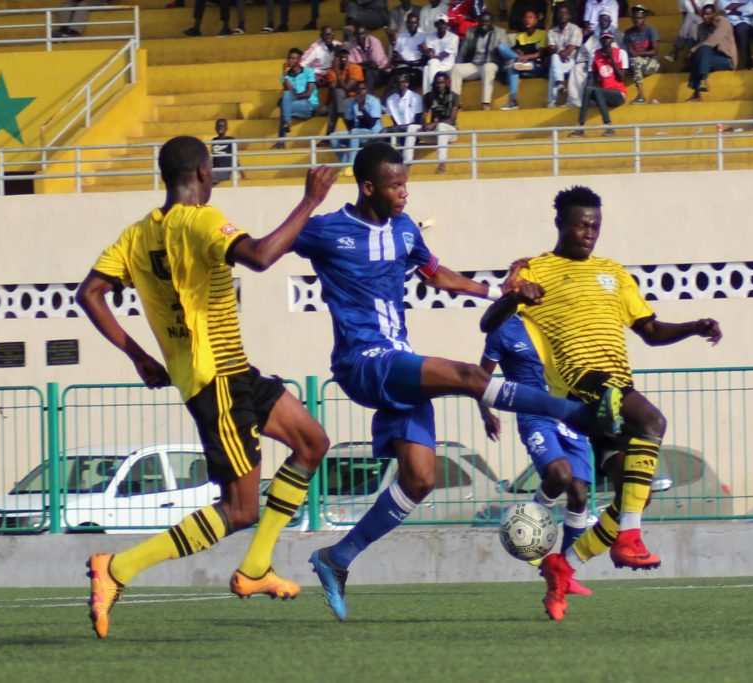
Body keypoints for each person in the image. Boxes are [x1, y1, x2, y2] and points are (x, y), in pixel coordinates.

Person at [296, 144, 622, 622]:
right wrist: (308, 202)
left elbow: (439, 276)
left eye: (406, 183)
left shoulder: (405, 230)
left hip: (398, 360)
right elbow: (268, 249)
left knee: (420, 479)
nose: (404, 193)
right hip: (362, 360)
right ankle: (581, 415)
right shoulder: (330, 231)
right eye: (395, 185)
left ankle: (336, 558)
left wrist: (500, 290)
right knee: (471, 376)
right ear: (368, 188)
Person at [78, 136, 337, 639]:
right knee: (239, 509)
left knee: (312, 443)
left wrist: (138, 356)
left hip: (234, 372)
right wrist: (309, 201)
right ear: (200, 171)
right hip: (214, 381)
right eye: (213, 170)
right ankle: (119, 569)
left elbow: (89, 293)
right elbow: (260, 256)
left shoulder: (134, 236)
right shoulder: (200, 221)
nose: (214, 178)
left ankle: (256, 567)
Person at [484, 185, 721, 622]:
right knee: (652, 419)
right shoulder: (534, 270)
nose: (589, 232)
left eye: (595, 225)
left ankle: (563, 567)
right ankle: (628, 539)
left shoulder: (614, 273)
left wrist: (693, 325)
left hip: (614, 387)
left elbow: (649, 330)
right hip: (581, 386)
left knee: (638, 494)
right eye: (580, 224)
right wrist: (516, 295)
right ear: (560, 224)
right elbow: (489, 321)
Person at [478, 315, 596, 597]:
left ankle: (564, 574)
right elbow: (480, 378)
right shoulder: (503, 328)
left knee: (579, 494)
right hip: (534, 416)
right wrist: (486, 413)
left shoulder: (561, 317)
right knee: (560, 474)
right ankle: (529, 521)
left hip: (570, 413)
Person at [569, 31, 628, 137]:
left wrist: (612, 60)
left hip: (618, 93)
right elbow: (592, 77)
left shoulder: (621, 53)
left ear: (612, 40)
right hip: (602, 92)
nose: (606, 41)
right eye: (604, 39)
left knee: (597, 91)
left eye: (608, 39)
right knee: (588, 89)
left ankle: (609, 127)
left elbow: (621, 77)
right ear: (600, 41)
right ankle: (580, 127)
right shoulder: (595, 54)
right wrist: (588, 96)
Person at [450, 11, 509, 110]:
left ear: (492, 22)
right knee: (456, 68)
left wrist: (506, 69)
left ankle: (485, 103)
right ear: (478, 22)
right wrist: (459, 63)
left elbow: (506, 51)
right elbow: (463, 52)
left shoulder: (500, 32)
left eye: (487, 22)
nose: (484, 24)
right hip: (475, 64)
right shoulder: (471, 31)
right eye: (482, 21)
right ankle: (455, 104)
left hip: (491, 63)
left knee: (487, 67)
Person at [567, 13, 623, 108]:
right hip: (592, 63)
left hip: (607, 64)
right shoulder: (594, 37)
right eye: (602, 19)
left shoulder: (615, 35)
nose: (604, 22)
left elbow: (618, 54)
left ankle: (594, 100)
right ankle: (575, 102)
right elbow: (583, 53)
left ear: (610, 21)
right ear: (598, 21)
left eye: (606, 19)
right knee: (576, 69)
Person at [499, 7, 548, 111]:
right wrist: (517, 52)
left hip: (536, 66)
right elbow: (517, 48)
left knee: (513, 66)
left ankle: (520, 63)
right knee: (502, 48)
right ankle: (513, 100)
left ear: (536, 20)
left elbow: (539, 54)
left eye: (530, 17)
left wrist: (526, 57)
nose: (527, 19)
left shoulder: (542, 33)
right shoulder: (520, 35)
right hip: (522, 65)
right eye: (525, 17)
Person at [686, 4, 738, 101]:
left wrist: (693, 49)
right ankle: (702, 83)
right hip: (710, 58)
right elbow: (702, 44)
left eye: (709, 14)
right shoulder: (702, 27)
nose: (706, 17)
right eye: (704, 15)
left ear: (714, 14)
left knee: (703, 50)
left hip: (726, 58)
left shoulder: (723, 22)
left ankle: (697, 91)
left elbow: (714, 40)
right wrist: (694, 51)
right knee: (700, 54)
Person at [330, 81, 384, 169]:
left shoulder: (374, 101)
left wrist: (362, 109)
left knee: (355, 132)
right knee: (333, 136)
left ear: (366, 90)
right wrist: (349, 113)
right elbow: (348, 123)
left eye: (363, 89)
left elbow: (372, 123)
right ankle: (345, 164)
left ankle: (351, 165)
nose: (360, 91)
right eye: (358, 89)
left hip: (373, 133)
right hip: (358, 133)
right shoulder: (352, 102)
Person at [274, 48, 320, 149]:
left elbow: (308, 93)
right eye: (289, 58)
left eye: (294, 58)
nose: (291, 60)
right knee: (286, 94)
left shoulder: (309, 72)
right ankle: (287, 122)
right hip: (295, 106)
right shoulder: (285, 76)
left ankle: (281, 142)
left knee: (284, 105)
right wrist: (285, 74)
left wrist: (288, 102)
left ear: (299, 60)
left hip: (309, 106)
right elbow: (290, 92)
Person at [422, 71, 461, 173]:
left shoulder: (454, 96)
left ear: (447, 83)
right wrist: (424, 125)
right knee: (411, 129)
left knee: (441, 127)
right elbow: (424, 115)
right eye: (437, 83)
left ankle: (442, 164)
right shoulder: (429, 96)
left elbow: (452, 119)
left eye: (442, 83)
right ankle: (406, 164)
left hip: (451, 131)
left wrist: (434, 124)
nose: (439, 85)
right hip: (434, 133)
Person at [546, 4, 584, 107]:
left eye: (565, 13)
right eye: (560, 13)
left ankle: (552, 100)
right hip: (558, 63)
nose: (562, 15)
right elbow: (551, 49)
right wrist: (559, 52)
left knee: (554, 63)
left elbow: (568, 51)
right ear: (557, 16)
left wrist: (558, 51)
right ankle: (559, 84)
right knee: (554, 60)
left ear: (569, 16)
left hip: (571, 63)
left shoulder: (575, 29)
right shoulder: (551, 32)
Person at [325, 49, 366, 137]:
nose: (343, 58)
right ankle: (346, 122)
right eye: (340, 56)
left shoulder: (355, 68)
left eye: (345, 56)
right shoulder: (331, 71)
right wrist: (336, 70)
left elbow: (348, 88)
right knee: (337, 93)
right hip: (341, 100)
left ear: (348, 56)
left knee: (334, 104)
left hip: (355, 98)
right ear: (336, 58)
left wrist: (338, 74)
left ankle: (329, 135)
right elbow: (333, 87)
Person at [623, 5, 660, 103]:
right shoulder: (628, 33)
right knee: (633, 61)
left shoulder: (650, 30)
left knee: (635, 60)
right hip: (636, 64)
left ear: (644, 18)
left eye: (639, 18)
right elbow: (628, 52)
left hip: (652, 63)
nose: (637, 20)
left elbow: (655, 51)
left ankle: (641, 95)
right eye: (635, 18)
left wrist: (638, 53)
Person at [385, 74, 424, 164]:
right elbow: (393, 119)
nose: (399, 84)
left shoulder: (415, 97)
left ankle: (401, 160)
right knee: (384, 133)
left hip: (413, 129)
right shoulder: (390, 100)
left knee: (399, 131)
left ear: (407, 83)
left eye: (402, 82)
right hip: (398, 130)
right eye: (397, 82)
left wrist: (399, 128)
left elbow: (417, 120)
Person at [420, 15, 460, 92]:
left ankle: (434, 88)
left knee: (432, 62)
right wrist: (426, 51)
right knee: (426, 68)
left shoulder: (454, 37)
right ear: (435, 25)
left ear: (447, 25)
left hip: (447, 66)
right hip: (434, 66)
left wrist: (430, 53)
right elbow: (429, 52)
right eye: (439, 24)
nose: (442, 26)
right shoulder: (429, 37)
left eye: (444, 23)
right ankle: (428, 95)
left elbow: (444, 54)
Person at [390, 12, 429, 89]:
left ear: (418, 23)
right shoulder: (401, 35)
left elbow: (424, 59)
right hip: (401, 68)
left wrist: (404, 61)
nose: (412, 25)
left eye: (414, 22)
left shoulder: (424, 36)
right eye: (410, 22)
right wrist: (395, 57)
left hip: (416, 69)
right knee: (392, 81)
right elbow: (395, 55)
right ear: (407, 23)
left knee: (406, 81)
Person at [716, 0, 753, 68]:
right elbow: (722, 5)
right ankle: (724, 64)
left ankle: (748, 64)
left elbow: (751, 9)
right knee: (720, 29)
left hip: (747, 22)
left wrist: (733, 7)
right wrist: (742, 6)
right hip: (731, 22)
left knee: (741, 30)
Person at [349, 24, 392, 88]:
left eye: (362, 34)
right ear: (355, 35)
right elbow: (352, 65)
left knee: (369, 72)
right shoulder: (353, 45)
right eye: (357, 34)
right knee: (355, 74)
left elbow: (374, 65)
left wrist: (361, 65)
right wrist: (366, 64)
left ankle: (368, 96)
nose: (359, 36)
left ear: (366, 34)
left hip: (382, 72)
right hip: (365, 72)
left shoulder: (374, 42)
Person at [210, 118, 244, 184]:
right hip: (215, 170)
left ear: (226, 128)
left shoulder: (231, 139)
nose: (220, 128)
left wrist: (242, 173)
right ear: (215, 128)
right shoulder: (214, 140)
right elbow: (214, 158)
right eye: (218, 126)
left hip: (225, 171)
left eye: (222, 126)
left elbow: (235, 158)